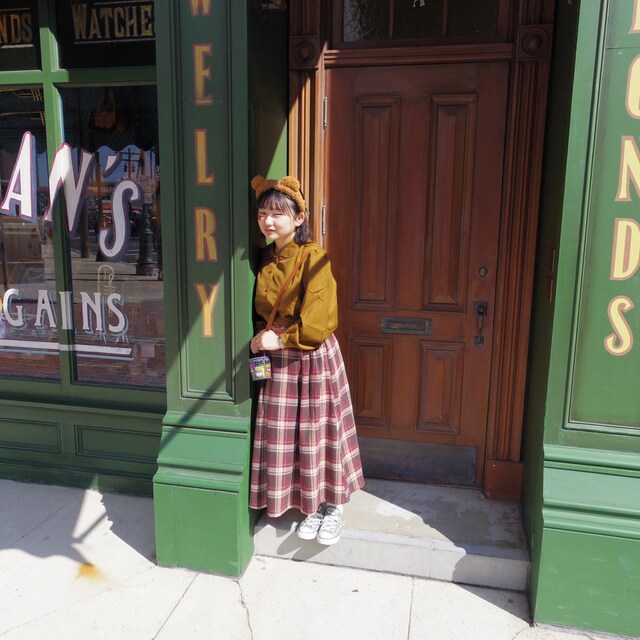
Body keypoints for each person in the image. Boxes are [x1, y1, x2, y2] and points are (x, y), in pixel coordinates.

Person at [249, 175, 365, 546]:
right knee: (292, 436)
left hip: (309, 356)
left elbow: (318, 319)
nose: (268, 221)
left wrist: (280, 339)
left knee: (319, 431)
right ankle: (311, 505)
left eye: (277, 214)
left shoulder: (314, 257)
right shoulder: (266, 256)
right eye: (263, 213)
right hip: (278, 359)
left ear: (299, 218)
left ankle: (334, 506)